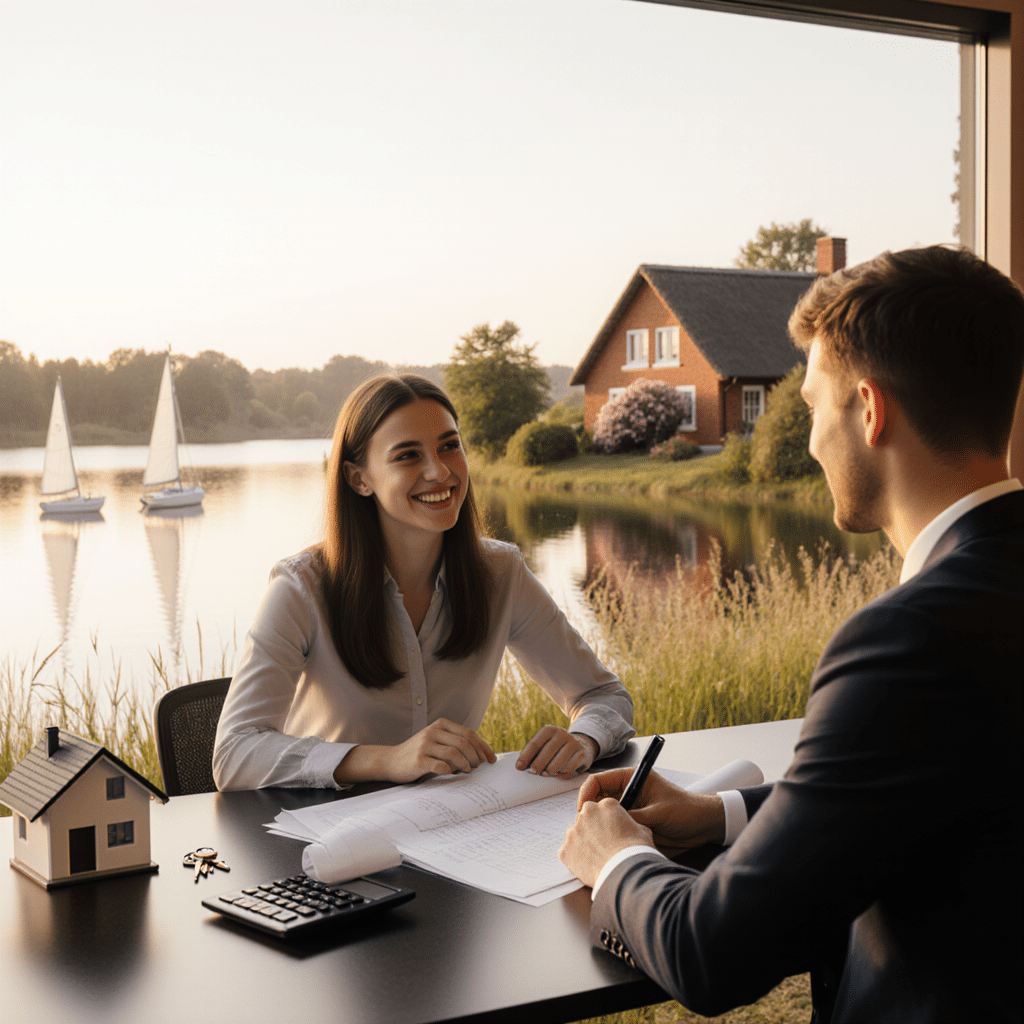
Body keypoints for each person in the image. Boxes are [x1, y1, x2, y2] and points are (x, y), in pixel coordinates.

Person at [559, 246, 1024, 1023]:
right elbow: (953, 778)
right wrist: (723, 816)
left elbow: (713, 954)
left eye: (812, 406)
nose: (808, 441)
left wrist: (616, 861)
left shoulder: (907, 642)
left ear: (870, 412)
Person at [213, 374, 634, 790]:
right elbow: (234, 753)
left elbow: (605, 696)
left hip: (445, 832)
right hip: (323, 836)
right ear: (359, 479)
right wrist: (386, 759)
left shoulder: (501, 573)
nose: (439, 472)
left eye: (450, 446)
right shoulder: (301, 587)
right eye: (407, 456)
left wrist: (583, 740)